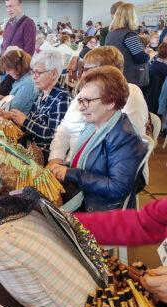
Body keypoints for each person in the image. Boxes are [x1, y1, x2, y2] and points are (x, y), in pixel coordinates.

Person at [49, 66, 145, 212]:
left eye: (87, 101)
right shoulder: (93, 126)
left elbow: (117, 188)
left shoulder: (125, 138)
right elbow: (84, 164)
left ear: (111, 102)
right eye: (80, 100)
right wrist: (60, 168)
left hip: (96, 210)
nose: (81, 107)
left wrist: (71, 173)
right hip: (83, 195)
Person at [49, 46, 148, 165]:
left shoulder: (130, 93)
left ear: (106, 71)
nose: (81, 73)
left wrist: (71, 173)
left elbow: (120, 146)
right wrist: (55, 159)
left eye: (86, 69)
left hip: (98, 170)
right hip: (72, 165)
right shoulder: (84, 93)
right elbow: (63, 129)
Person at [0, 50, 71, 159]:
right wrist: (14, 117)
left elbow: (54, 136)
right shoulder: (42, 93)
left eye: (39, 72)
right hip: (29, 147)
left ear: (54, 73)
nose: (34, 76)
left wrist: (25, 121)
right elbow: (33, 124)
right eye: (33, 72)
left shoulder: (62, 98)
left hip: (43, 156)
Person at [0, 49, 38, 116]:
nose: (7, 73)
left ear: (19, 67)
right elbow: (14, 100)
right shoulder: (22, 79)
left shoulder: (27, 84)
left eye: (9, 69)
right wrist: (2, 98)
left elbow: (9, 111)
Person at [105, 3, 149, 87]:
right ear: (132, 16)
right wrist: (150, 54)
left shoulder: (111, 33)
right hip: (129, 79)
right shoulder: (129, 35)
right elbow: (141, 57)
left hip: (115, 75)